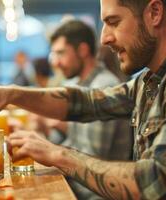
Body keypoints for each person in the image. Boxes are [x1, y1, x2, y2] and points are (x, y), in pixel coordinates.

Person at [0, 0, 166, 199]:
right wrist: (9, 93)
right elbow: (84, 102)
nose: (105, 38)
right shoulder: (150, 80)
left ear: (155, 13)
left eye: (113, 22)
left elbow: (164, 184)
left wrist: (57, 154)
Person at [48, 20, 133, 199]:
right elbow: (74, 143)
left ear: (83, 50)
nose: (56, 62)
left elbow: (92, 160)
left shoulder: (103, 86)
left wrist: (49, 152)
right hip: (78, 187)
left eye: (61, 53)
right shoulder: (79, 84)